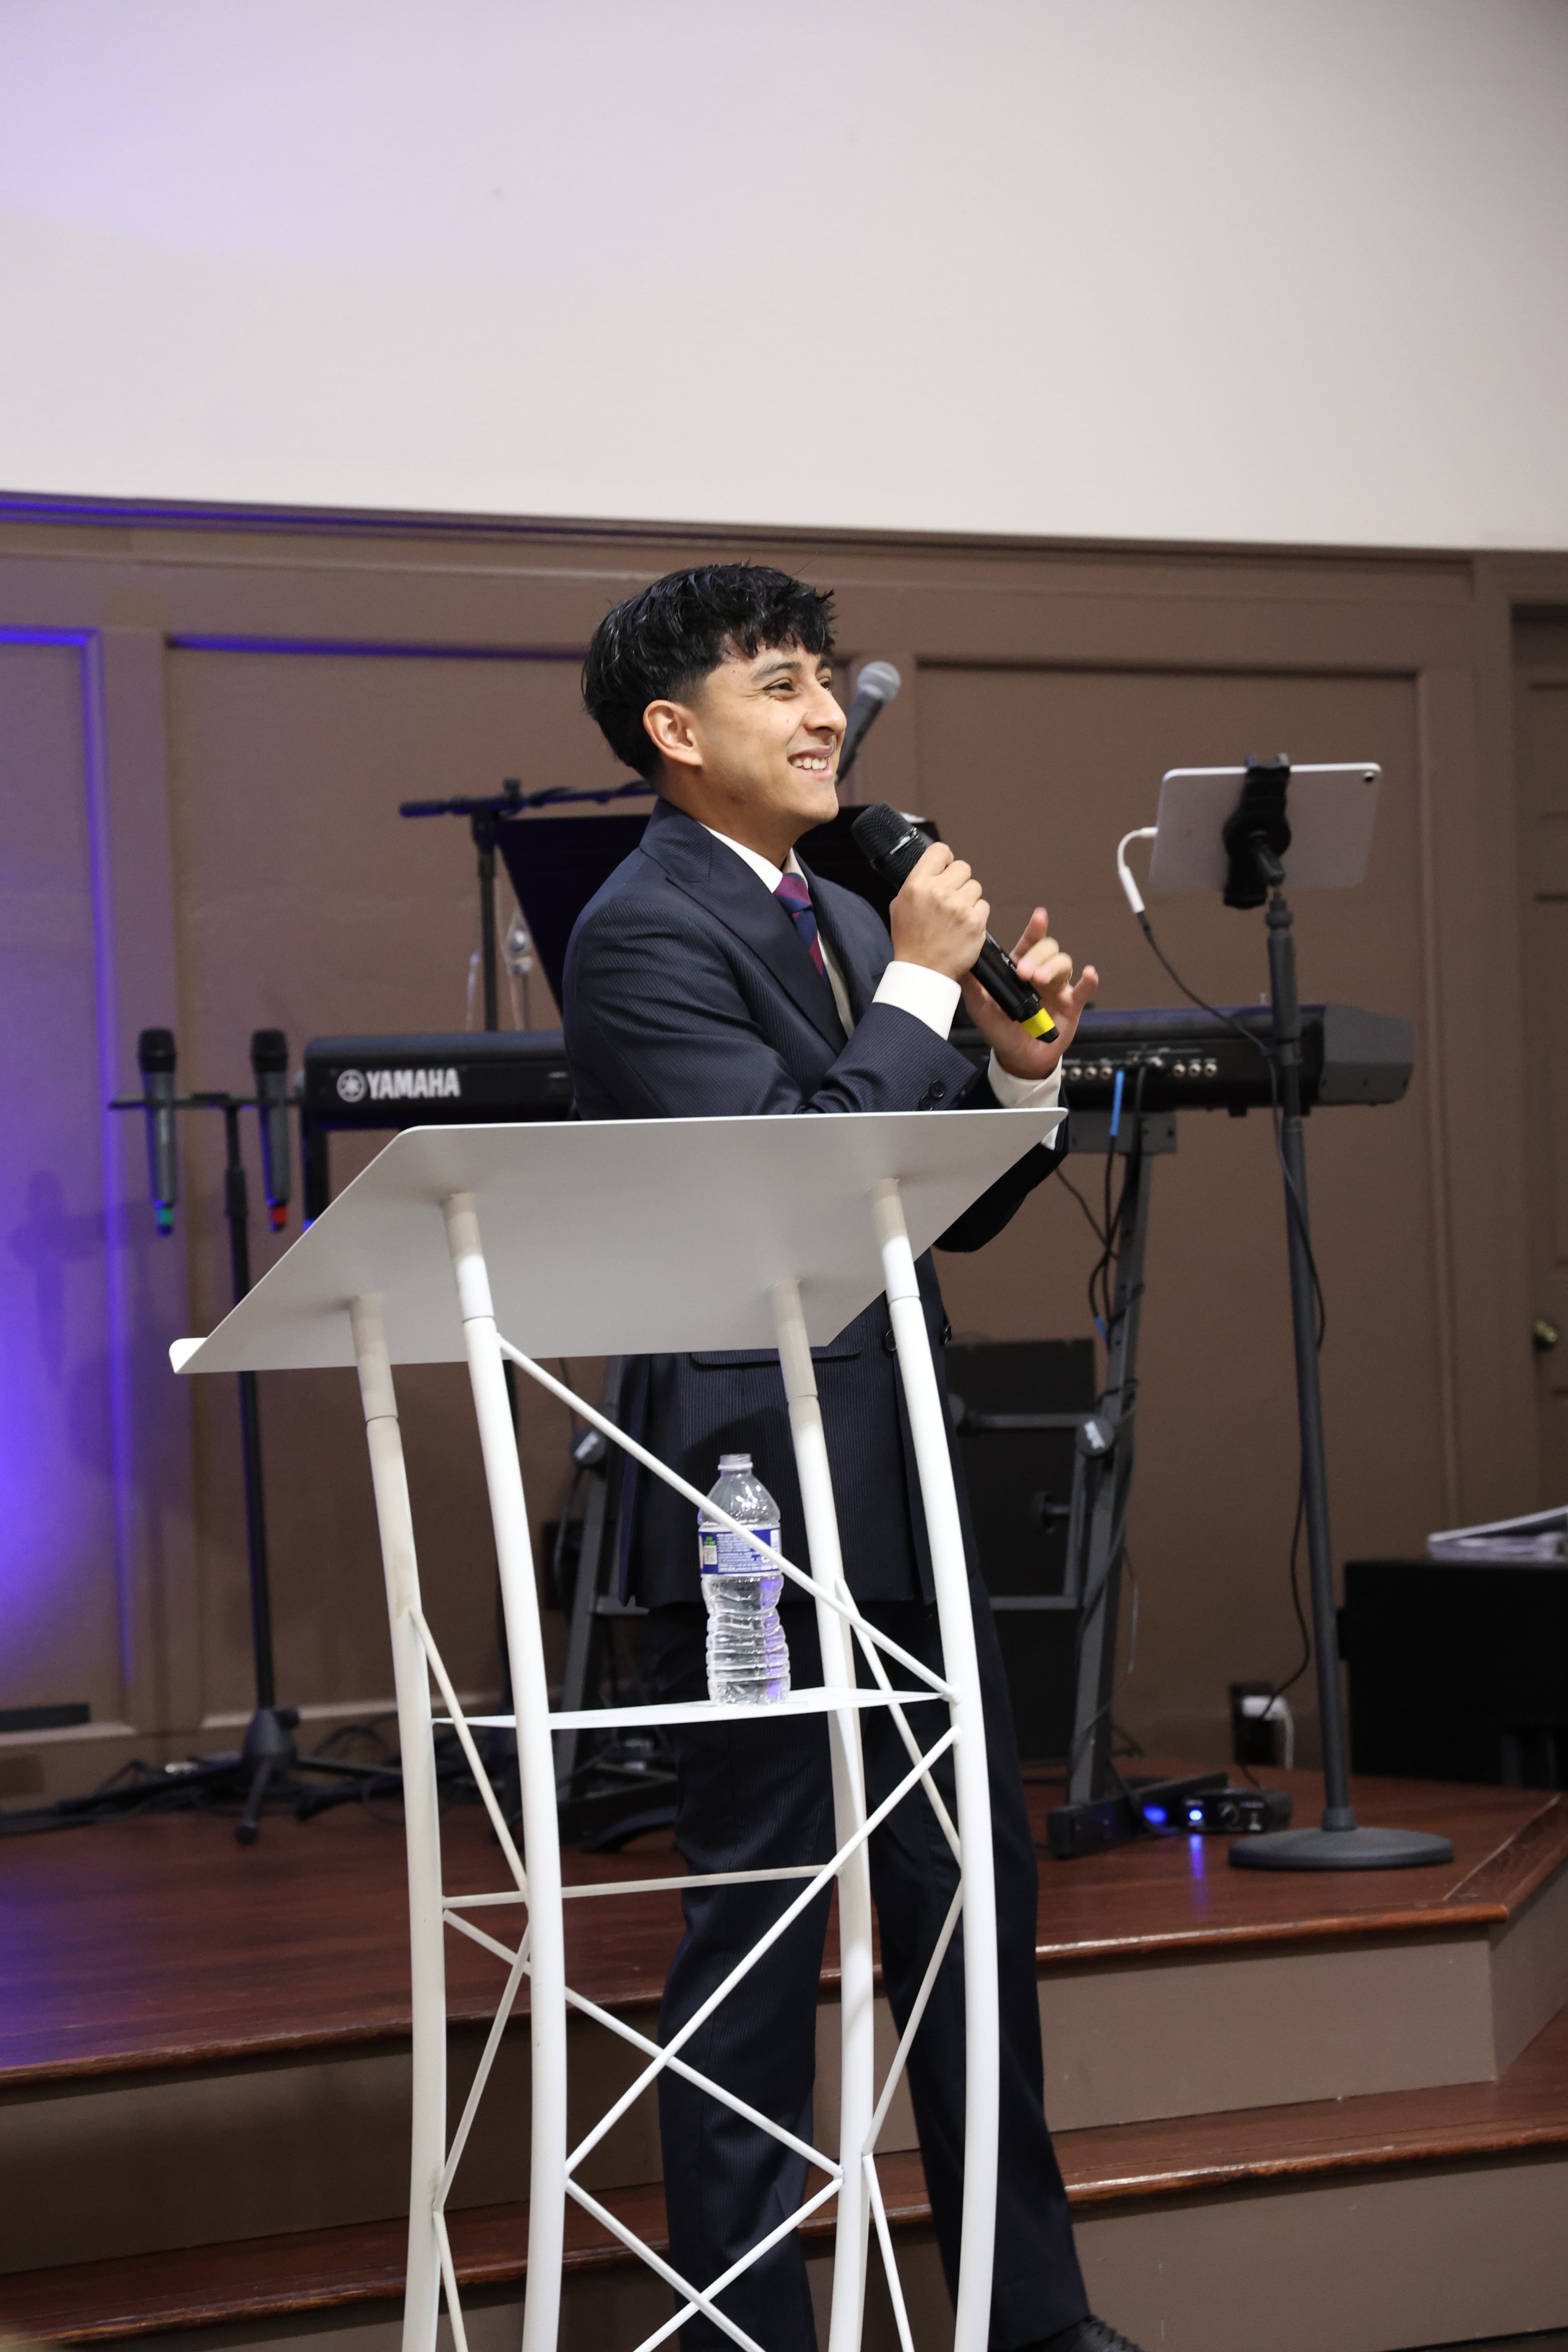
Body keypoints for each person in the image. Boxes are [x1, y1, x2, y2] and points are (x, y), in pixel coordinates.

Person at [564, 563, 1141, 2352]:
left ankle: (1027, 2321)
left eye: (825, 682)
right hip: (742, 1485)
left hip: (896, 1465)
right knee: (758, 1922)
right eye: (779, 686)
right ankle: (749, 2327)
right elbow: (788, 1200)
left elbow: (922, 1214)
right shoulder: (639, 926)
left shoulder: (824, 908)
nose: (826, 716)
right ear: (677, 735)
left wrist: (1013, 1059)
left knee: (972, 1914)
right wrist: (917, 977)